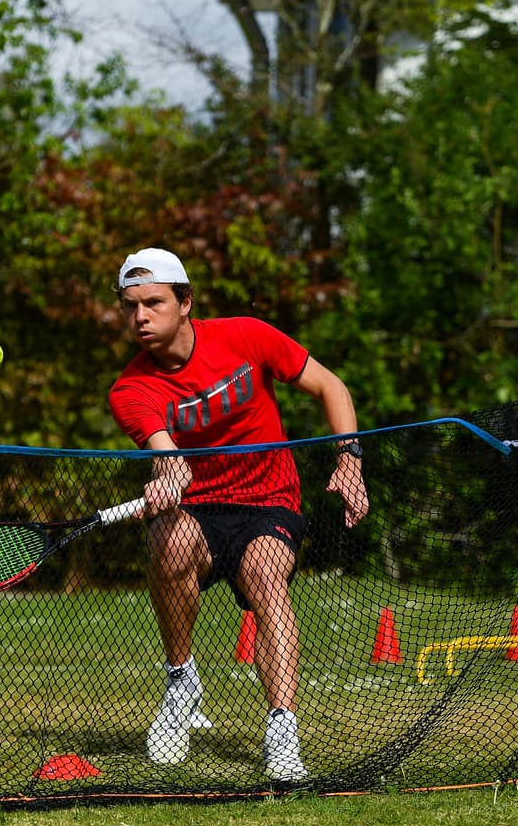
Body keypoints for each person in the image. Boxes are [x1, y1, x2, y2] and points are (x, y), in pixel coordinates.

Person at [108, 247, 369, 781]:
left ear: (185, 302)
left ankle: (281, 729)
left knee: (264, 574)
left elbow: (330, 386)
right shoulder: (130, 388)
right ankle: (181, 681)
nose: (140, 317)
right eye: (130, 306)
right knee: (170, 542)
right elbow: (162, 446)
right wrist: (170, 470)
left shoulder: (246, 336)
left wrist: (350, 461)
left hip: (268, 501)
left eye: (153, 303)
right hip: (198, 509)